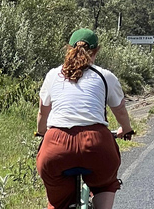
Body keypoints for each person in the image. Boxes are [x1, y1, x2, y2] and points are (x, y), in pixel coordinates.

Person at [36, 28, 133, 209]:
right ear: (96, 51)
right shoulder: (105, 76)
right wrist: (126, 129)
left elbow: (43, 112)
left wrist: (42, 132)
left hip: (56, 145)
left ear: (68, 49)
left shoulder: (53, 75)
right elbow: (120, 110)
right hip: (97, 144)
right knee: (105, 185)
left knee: (59, 201)